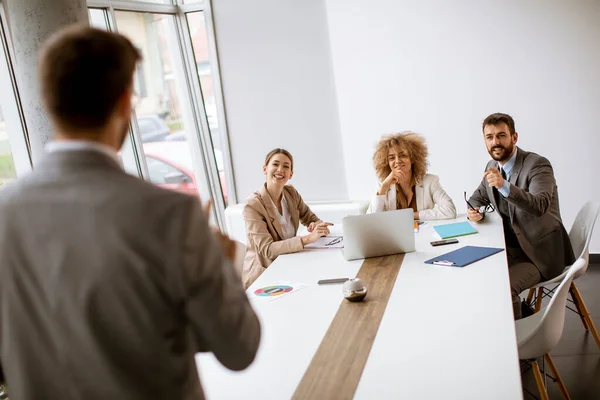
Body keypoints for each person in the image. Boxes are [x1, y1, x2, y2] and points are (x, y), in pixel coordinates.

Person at [0, 25, 260, 399]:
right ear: (124, 103)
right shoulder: (172, 216)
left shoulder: (5, 213)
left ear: (47, 100)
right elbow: (239, 350)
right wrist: (224, 264)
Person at [467, 113, 575, 320]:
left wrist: (504, 186)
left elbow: (539, 205)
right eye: (489, 137)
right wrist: (475, 211)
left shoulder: (538, 165)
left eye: (501, 135)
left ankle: (521, 348)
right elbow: (476, 199)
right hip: (510, 249)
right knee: (478, 277)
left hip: (538, 254)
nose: (495, 142)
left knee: (504, 289)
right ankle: (506, 324)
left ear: (514, 138)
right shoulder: (491, 166)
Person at [242, 149, 333, 288]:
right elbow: (268, 250)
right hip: (265, 275)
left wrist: (317, 225)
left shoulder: (291, 193)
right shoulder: (253, 205)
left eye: (286, 166)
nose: (280, 169)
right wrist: (308, 239)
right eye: (275, 164)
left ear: (291, 174)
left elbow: (310, 218)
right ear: (265, 169)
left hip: (289, 264)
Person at [367, 132, 456, 220]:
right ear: (387, 163)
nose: (397, 161)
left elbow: (450, 211)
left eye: (403, 155)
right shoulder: (382, 184)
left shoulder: (430, 181)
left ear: (412, 158)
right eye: (392, 158)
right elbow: (370, 220)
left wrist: (413, 215)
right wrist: (384, 186)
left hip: (424, 233)